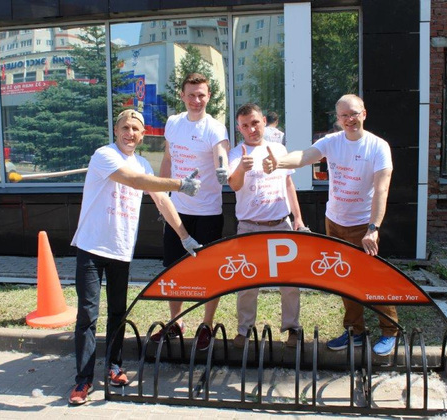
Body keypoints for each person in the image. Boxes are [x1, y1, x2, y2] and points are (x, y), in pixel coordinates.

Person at [68, 109, 203, 405]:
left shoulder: (143, 163)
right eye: (125, 127)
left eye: (135, 129)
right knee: (88, 316)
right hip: (91, 247)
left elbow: (161, 200)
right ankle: (83, 380)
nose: (130, 133)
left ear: (142, 136)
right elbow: (135, 182)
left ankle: (114, 367)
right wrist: (179, 183)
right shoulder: (104, 155)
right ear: (116, 130)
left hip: (120, 249)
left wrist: (184, 236)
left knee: (118, 313)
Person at [262, 94, 397, 356]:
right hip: (334, 221)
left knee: (372, 279)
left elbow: (382, 190)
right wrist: (279, 163)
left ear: (364, 114)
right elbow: (304, 156)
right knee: (344, 278)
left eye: (354, 113)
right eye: (344, 115)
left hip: (362, 225)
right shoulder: (332, 141)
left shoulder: (378, 147)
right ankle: (355, 332)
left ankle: (389, 330)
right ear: (338, 118)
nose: (350, 119)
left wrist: (373, 228)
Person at [153, 72, 230, 351]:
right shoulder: (173, 123)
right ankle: (176, 322)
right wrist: (163, 193)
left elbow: (221, 152)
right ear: (183, 96)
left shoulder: (215, 128)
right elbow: (168, 158)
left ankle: (206, 325)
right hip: (178, 210)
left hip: (208, 212)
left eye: (201, 95)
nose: (197, 100)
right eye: (191, 95)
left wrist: (223, 168)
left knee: (209, 272)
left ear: (208, 96)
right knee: (174, 269)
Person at [228, 103, 305, 349]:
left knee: (289, 281)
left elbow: (289, 184)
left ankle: (292, 328)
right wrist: (242, 167)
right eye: (245, 125)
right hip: (249, 227)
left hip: (280, 224)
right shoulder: (236, 153)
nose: (251, 129)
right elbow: (234, 185)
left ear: (263, 121)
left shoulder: (279, 149)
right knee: (247, 282)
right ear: (239, 128)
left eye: (255, 123)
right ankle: (244, 330)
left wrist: (298, 218)